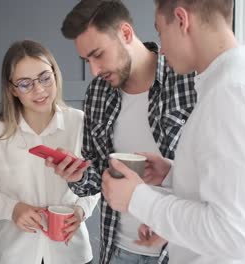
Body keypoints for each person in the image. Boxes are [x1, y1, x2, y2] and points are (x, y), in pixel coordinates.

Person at [101, 0, 245, 263]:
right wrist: (173, 175)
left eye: (159, 31)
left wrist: (137, 199)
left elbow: (234, 235)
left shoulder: (234, 93)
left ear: (181, 19)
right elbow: (239, 192)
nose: (161, 49)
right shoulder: (236, 84)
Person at [45, 1, 196, 263]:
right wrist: (78, 174)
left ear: (126, 34)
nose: (93, 70)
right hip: (117, 250)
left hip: (178, 248)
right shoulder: (98, 93)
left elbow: (208, 174)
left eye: (98, 54)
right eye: (87, 60)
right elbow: (95, 178)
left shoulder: (186, 79)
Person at [0, 40, 98, 264]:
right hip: (14, 254)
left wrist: (80, 211)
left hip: (71, 253)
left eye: (45, 78)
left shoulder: (80, 123)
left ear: (55, 75)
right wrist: (13, 209)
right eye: (25, 83)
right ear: (12, 89)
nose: (39, 89)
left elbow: (96, 183)